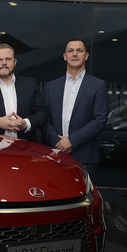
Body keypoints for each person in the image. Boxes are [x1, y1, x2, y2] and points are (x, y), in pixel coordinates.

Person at [42, 37, 108, 183]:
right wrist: (57, 142)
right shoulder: (52, 86)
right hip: (55, 153)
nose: (75, 54)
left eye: (79, 50)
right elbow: (44, 118)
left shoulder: (98, 85)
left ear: (86, 55)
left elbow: (99, 121)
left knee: (84, 201)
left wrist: (71, 141)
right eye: (70, 51)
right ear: (65, 56)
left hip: (86, 157)